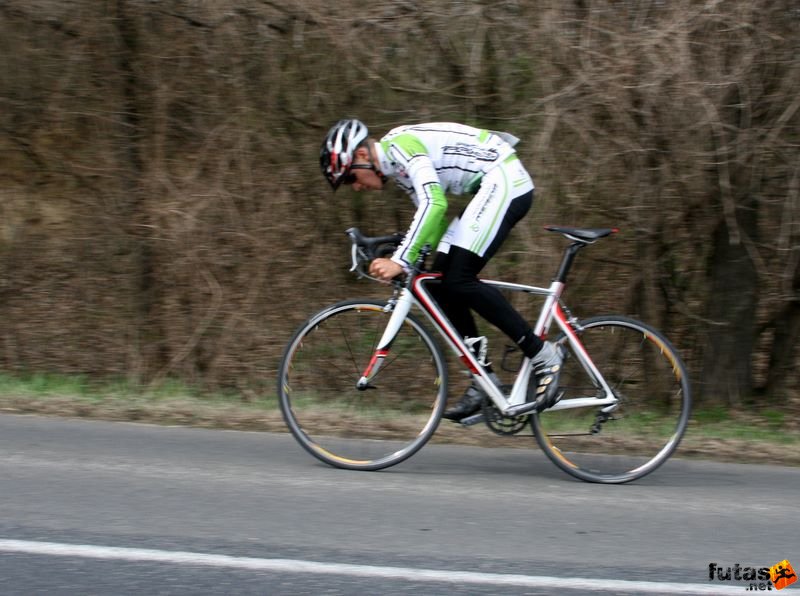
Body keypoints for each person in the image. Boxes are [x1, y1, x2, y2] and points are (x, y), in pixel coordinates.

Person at [319, 119, 563, 421]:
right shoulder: (399, 170)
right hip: (487, 187)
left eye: (349, 178)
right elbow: (430, 223)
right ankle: (484, 381)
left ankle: (543, 354)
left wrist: (401, 261)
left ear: (363, 156)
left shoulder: (400, 148)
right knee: (439, 286)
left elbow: (434, 204)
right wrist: (410, 264)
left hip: (504, 179)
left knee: (459, 279)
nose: (355, 187)